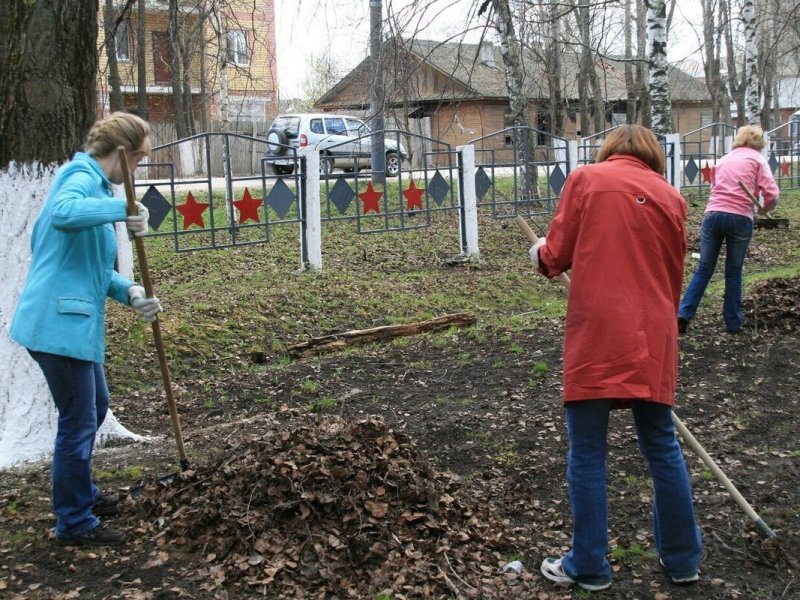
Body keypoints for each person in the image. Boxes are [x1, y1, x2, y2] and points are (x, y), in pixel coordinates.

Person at [529, 125, 703, 591]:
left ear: (609, 152)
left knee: (587, 451)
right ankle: (683, 560)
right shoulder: (671, 197)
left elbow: (556, 254)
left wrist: (539, 256)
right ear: (651, 157)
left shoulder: (587, 179)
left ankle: (588, 566)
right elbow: (670, 271)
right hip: (654, 334)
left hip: (600, 331)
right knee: (662, 447)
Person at [10, 112, 163, 546]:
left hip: (71, 322)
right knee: (78, 419)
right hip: (57, 323)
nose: (133, 173)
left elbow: (95, 270)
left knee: (94, 407)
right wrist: (124, 206)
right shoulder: (77, 177)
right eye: (135, 162)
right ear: (119, 153)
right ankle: (74, 521)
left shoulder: (94, 187)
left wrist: (132, 292)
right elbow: (62, 213)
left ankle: (83, 495)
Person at [678, 125, 779, 334]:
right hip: (740, 217)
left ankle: (683, 315)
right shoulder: (758, 160)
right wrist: (765, 209)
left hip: (713, 215)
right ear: (759, 144)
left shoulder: (724, 159)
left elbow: (714, 187)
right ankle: (733, 323)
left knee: (704, 268)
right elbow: (772, 192)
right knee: (733, 271)